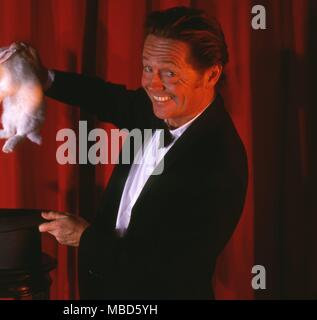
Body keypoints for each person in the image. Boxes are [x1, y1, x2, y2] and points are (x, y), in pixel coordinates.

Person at [22, 6, 248, 299]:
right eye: (147, 68)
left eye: (169, 72)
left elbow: (170, 272)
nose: (152, 85)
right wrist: (45, 78)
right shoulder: (158, 107)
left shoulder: (221, 162)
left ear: (212, 74)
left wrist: (84, 237)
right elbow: (109, 99)